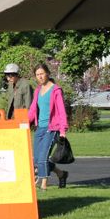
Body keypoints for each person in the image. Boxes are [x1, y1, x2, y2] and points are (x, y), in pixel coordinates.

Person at [28, 63, 69, 191]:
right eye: (37, 75)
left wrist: (63, 130)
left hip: (52, 128)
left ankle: (43, 184)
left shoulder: (56, 90)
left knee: (43, 157)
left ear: (48, 74)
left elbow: (61, 111)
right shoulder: (37, 90)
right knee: (37, 159)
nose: (40, 77)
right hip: (40, 128)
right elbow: (32, 109)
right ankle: (61, 174)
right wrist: (25, 123)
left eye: (42, 74)